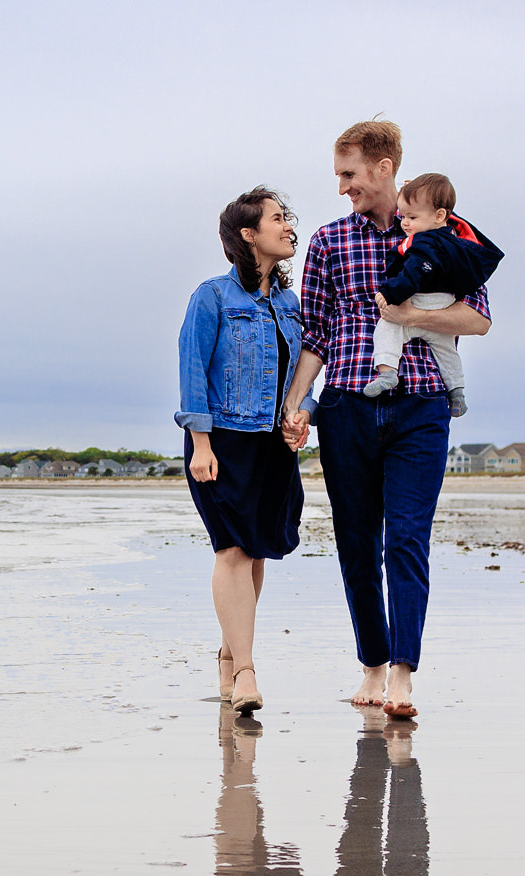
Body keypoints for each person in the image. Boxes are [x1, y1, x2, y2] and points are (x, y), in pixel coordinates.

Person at [282, 121, 491, 718]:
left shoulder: (441, 234)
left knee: (405, 540)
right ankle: (371, 663)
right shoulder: (327, 243)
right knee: (355, 545)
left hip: (421, 407)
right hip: (346, 407)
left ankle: (402, 674)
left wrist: (406, 315)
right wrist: (295, 403)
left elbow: (477, 320)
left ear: (382, 166)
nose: (343, 186)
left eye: (349, 174)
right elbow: (316, 336)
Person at [174, 187, 307, 716]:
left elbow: (297, 377)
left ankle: (231, 652)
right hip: (222, 438)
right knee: (230, 547)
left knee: (255, 550)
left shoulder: (290, 305)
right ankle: (247, 671)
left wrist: (303, 414)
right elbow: (191, 370)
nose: (288, 226)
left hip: (273, 442)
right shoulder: (212, 297)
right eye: (278, 219)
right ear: (248, 234)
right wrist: (200, 443)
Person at [361, 173, 504, 417]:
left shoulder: (424, 243)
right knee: (447, 351)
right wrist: (417, 200)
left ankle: (387, 372)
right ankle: (457, 391)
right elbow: (442, 214)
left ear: (439, 216)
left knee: (387, 328)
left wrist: (389, 293)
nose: (404, 223)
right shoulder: (453, 239)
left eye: (411, 217)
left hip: (421, 301)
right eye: (403, 215)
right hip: (445, 304)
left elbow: (414, 274)